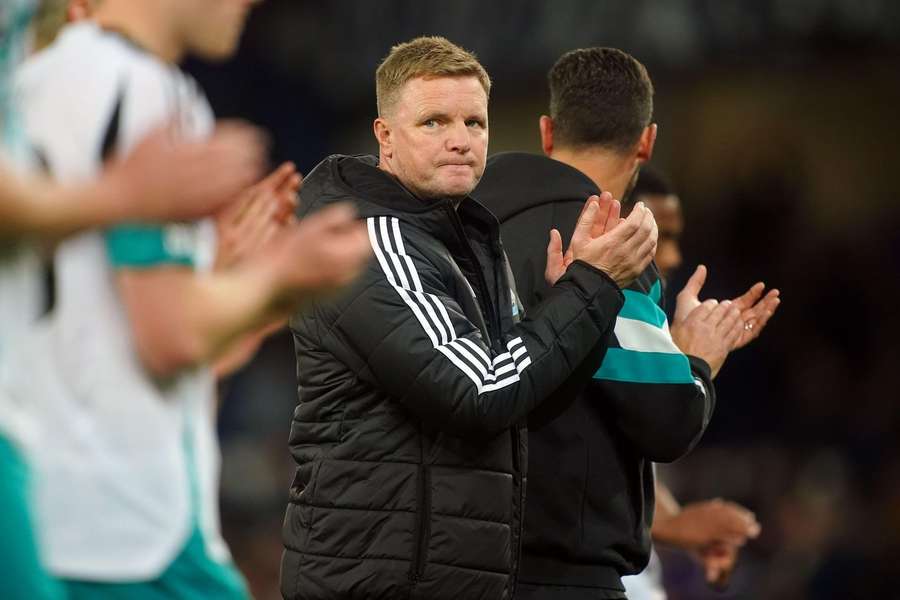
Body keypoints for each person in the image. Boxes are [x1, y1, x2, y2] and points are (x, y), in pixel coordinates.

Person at [6, 1, 371, 598]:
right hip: (132, 531)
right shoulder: (145, 88)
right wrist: (279, 274)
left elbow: (116, 345)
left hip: (64, 511)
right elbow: (169, 339)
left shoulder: (37, 84)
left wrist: (242, 292)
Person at [280, 36, 659, 600]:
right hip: (377, 583)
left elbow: (520, 401)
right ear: (384, 135)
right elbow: (478, 392)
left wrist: (576, 300)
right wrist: (590, 287)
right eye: (433, 122)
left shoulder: (465, 237)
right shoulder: (374, 239)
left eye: (474, 124)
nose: (460, 141)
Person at [476, 47, 765, 599]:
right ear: (647, 141)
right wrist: (697, 359)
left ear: (546, 131)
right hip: (562, 575)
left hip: (460, 561)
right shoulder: (618, 244)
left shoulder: (463, 229)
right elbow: (665, 419)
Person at [620, 167, 778, 599]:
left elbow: (626, 461)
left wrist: (674, 523)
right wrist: (691, 364)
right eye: (659, 234)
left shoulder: (641, 329)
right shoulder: (582, 330)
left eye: (675, 238)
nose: (671, 256)